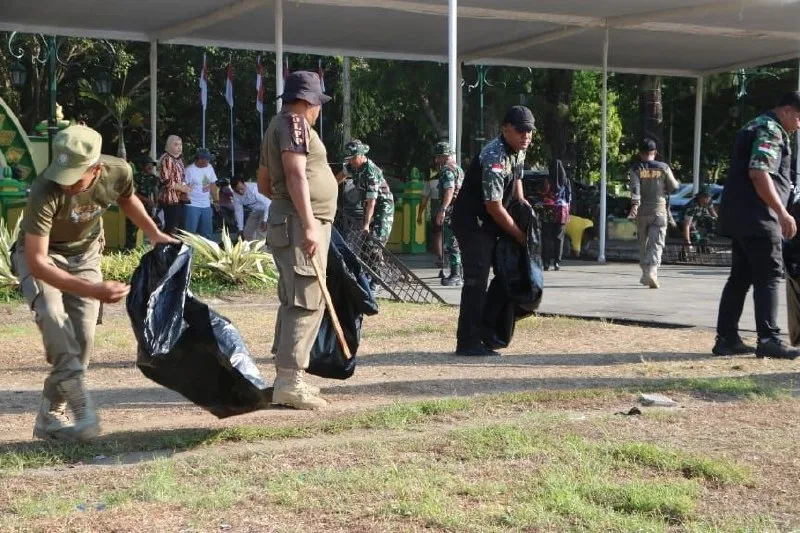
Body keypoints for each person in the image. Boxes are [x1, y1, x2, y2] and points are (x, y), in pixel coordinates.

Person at [12, 125, 177, 442]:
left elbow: (127, 200)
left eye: (75, 175)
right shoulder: (45, 189)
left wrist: (154, 233)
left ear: (97, 168)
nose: (67, 183)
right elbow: (36, 261)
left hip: (85, 256)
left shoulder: (118, 170)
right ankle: (79, 410)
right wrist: (93, 291)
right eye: (63, 173)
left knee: (83, 339)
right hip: (45, 257)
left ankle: (50, 413)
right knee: (53, 319)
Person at [260, 71, 337, 409]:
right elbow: (293, 173)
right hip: (299, 223)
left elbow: (264, 183)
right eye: (317, 103)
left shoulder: (276, 125)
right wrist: (308, 223)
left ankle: (289, 377)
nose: (318, 110)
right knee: (304, 297)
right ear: (307, 101)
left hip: (289, 219)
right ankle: (290, 381)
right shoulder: (294, 124)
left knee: (297, 295)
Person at [712, 91, 800, 360]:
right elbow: (759, 172)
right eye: (798, 117)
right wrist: (782, 212)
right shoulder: (770, 130)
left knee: (739, 278)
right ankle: (769, 339)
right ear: (785, 110)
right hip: (760, 217)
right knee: (770, 276)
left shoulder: (753, 124)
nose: (799, 124)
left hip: (740, 217)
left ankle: (726, 338)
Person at [450, 105, 534, 356]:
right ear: (505, 129)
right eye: (520, 131)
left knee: (505, 274)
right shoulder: (494, 156)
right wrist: (519, 235)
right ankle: (467, 342)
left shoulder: (518, 150)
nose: (526, 136)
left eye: (529, 132)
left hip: (492, 221)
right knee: (476, 280)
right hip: (473, 222)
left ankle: (488, 332)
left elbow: (517, 178)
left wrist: (522, 206)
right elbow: (494, 206)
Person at [627, 138, 680, 289]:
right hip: (659, 211)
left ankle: (644, 273)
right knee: (656, 242)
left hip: (642, 212)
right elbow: (673, 186)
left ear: (640, 153)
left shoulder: (636, 169)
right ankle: (652, 271)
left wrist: (635, 204)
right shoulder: (663, 167)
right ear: (655, 153)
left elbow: (635, 188)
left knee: (643, 243)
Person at [339, 140, 395, 246]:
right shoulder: (353, 165)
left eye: (353, 158)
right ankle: (373, 262)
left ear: (361, 155)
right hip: (368, 205)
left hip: (382, 207)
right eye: (349, 159)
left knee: (375, 243)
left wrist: (366, 224)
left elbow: (372, 202)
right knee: (364, 244)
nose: (350, 162)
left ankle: (377, 261)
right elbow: (341, 175)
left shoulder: (371, 173)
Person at [433, 141, 464, 286]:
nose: (435, 160)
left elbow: (449, 190)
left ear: (442, 156)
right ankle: (459, 274)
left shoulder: (447, 170)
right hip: (460, 210)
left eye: (437, 156)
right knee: (457, 242)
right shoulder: (458, 168)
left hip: (452, 209)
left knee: (452, 243)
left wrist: (443, 209)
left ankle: (455, 275)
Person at [536, 159, 572, 271]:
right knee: (559, 238)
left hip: (548, 210)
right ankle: (557, 262)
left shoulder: (546, 180)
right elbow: (568, 197)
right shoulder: (566, 181)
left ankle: (546, 263)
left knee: (546, 237)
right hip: (561, 210)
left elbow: (541, 194)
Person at [125, 156, 160, 250]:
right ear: (143, 165)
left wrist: (156, 204)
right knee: (131, 231)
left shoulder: (154, 178)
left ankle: (150, 250)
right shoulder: (136, 177)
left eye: (152, 165)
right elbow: (133, 193)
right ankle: (128, 251)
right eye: (149, 165)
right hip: (135, 207)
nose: (151, 167)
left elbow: (156, 192)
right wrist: (148, 200)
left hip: (148, 209)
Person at [183, 148, 218, 240]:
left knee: (207, 232)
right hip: (192, 205)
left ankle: (205, 253)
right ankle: (188, 253)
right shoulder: (189, 170)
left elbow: (212, 184)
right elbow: (184, 187)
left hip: (206, 204)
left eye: (208, 159)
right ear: (199, 159)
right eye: (205, 159)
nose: (207, 161)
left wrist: (216, 200)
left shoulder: (209, 167)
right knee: (190, 233)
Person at [157, 135, 189, 234]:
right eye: (176, 145)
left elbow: (181, 177)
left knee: (181, 229)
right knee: (172, 229)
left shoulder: (179, 160)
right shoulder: (167, 159)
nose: (179, 147)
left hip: (179, 199)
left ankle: (178, 248)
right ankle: (168, 248)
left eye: (180, 145)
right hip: (170, 200)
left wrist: (184, 189)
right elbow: (165, 180)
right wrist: (181, 188)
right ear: (169, 145)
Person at [231, 175, 271, 241]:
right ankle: (249, 250)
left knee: (261, 232)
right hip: (255, 211)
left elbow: (268, 203)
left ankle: (261, 250)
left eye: (241, 189)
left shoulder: (254, 189)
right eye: (237, 190)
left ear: (244, 184)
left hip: (267, 209)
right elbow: (239, 212)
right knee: (247, 233)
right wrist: (240, 229)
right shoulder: (235, 195)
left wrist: (265, 220)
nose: (240, 192)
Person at [418, 168, 443, 268]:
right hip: (451, 211)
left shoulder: (431, 181)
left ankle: (441, 257)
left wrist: (420, 214)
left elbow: (424, 200)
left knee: (437, 235)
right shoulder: (455, 177)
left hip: (436, 212)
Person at [681, 185, 717, 251]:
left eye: (709, 196)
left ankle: (704, 245)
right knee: (695, 236)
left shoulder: (708, 201)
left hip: (699, 218)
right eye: (706, 197)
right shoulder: (692, 206)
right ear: (700, 197)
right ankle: (685, 251)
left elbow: (712, 212)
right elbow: (686, 225)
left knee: (712, 222)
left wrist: (718, 221)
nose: (708, 198)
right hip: (687, 221)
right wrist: (687, 242)